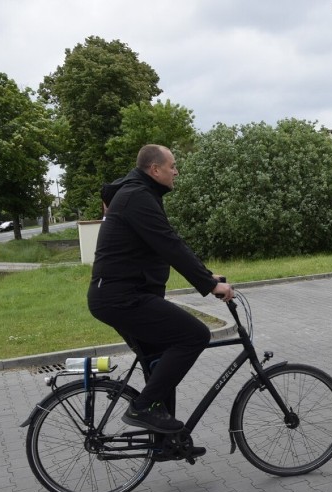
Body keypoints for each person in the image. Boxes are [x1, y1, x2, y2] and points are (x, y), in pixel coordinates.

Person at [88, 144, 234, 434]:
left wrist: (207, 274)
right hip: (124, 298)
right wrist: (210, 285)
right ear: (155, 170)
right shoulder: (137, 197)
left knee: (159, 361)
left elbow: (163, 244)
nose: (176, 171)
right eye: (172, 166)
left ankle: (164, 438)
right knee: (195, 335)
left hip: (118, 296)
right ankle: (142, 408)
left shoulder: (139, 194)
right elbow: (169, 244)